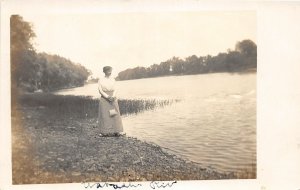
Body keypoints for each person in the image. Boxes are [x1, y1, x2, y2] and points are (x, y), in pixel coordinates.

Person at [98, 66, 123, 137]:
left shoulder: (113, 79)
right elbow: (100, 90)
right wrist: (107, 96)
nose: (110, 72)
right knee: (104, 115)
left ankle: (116, 131)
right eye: (108, 71)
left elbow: (115, 89)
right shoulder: (100, 80)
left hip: (113, 98)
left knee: (113, 114)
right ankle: (104, 132)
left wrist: (113, 96)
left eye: (110, 70)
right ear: (104, 71)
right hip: (104, 98)